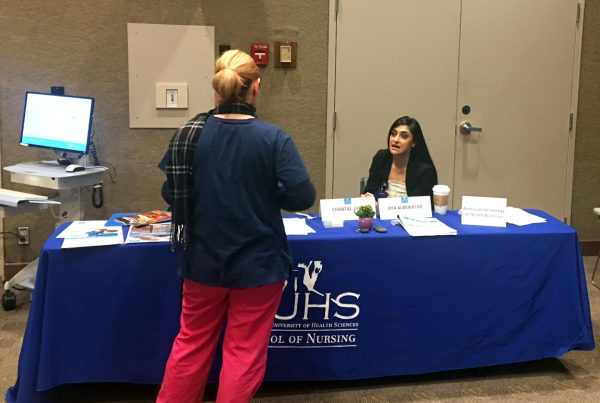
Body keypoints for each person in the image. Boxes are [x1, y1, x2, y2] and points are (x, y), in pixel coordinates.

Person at [157, 49, 315, 403]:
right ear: (256, 88)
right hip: (258, 265)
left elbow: (171, 192)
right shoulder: (273, 139)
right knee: (243, 352)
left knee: (191, 343)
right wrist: (267, 190)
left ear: (217, 88)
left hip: (201, 262)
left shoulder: (188, 135)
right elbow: (302, 197)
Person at [362, 116, 437, 199]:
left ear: (413, 143)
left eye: (404, 136)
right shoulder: (381, 158)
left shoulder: (424, 170)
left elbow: (420, 206)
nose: (396, 140)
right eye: (393, 134)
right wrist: (368, 198)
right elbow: (369, 191)